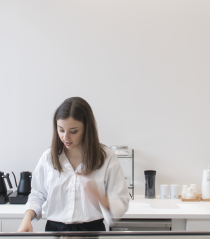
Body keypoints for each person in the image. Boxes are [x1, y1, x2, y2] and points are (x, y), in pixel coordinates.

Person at [18, 97, 130, 232]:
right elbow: (37, 194)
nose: (65, 137)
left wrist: (102, 199)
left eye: (73, 131)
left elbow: (122, 201)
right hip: (55, 233)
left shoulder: (107, 157)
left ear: (87, 129)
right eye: (61, 130)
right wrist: (27, 219)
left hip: (92, 232)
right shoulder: (48, 157)